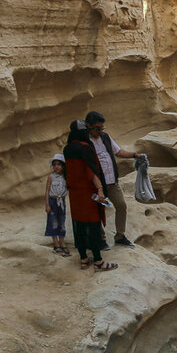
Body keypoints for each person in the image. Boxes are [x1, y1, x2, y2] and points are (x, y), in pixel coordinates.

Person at [63, 121, 117, 271]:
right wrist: (100, 190)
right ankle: (99, 262)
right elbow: (91, 171)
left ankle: (84, 259)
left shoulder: (67, 149)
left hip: (75, 195)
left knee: (79, 226)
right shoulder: (85, 148)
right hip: (88, 193)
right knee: (93, 226)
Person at [84, 111, 141, 249]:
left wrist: (134, 155)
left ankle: (120, 236)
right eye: (97, 128)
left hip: (112, 181)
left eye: (102, 128)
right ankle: (100, 239)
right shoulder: (84, 142)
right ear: (89, 126)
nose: (100, 131)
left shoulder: (105, 137)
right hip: (97, 184)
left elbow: (118, 152)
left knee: (121, 205)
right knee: (97, 211)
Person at [44, 154, 70, 256]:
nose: (56, 167)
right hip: (52, 201)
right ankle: (56, 244)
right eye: (54, 165)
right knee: (53, 222)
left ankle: (62, 242)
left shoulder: (65, 177)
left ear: (63, 166)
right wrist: (47, 204)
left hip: (61, 202)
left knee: (61, 222)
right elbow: (47, 191)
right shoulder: (51, 177)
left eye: (59, 164)